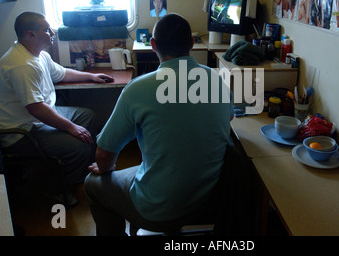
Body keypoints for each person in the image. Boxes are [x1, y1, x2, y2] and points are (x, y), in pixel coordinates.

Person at [85, 13, 234, 235]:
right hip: (207, 201)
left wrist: (107, 170)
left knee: (92, 184)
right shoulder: (217, 79)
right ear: (192, 43)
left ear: (153, 45)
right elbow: (228, 117)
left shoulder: (138, 89)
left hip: (159, 210)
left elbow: (104, 154)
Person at [0, 11, 114, 206]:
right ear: (31, 34)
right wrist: (70, 127)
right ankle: (54, 189)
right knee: (79, 146)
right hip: (21, 131)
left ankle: (79, 172)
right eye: (47, 30)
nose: (52, 32)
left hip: (40, 116)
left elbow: (61, 74)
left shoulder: (39, 55)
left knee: (87, 117)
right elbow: (36, 109)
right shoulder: (21, 65)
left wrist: (91, 76)